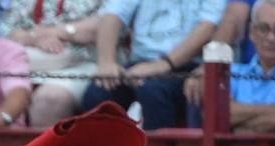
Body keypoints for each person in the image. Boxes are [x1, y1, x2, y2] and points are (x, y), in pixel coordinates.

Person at [82, 0, 227, 130]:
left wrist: (164, 64)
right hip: (140, 64)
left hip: (188, 65)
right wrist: (107, 62)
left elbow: (208, 27)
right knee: (99, 91)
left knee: (153, 91)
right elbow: (112, 16)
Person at [186, 0, 275, 130]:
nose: (271, 37)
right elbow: (215, 115)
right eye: (263, 28)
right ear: (252, 32)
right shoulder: (232, 72)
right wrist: (274, 111)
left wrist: (238, 120)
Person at [0, 0, 106, 126]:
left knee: (49, 99)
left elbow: (105, 25)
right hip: (28, 61)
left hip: (81, 63)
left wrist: (54, 32)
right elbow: (8, 30)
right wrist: (33, 38)